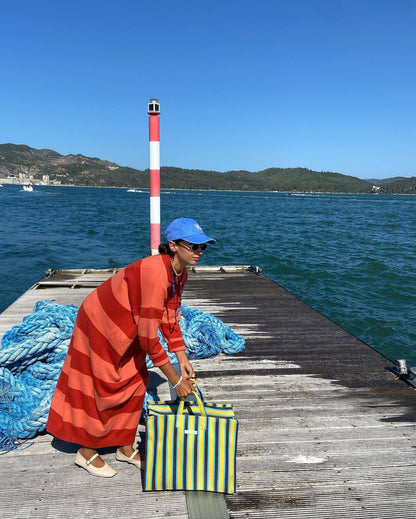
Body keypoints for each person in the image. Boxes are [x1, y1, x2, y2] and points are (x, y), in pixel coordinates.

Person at [46, 218, 216, 477]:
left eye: (203, 247)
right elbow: (149, 339)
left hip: (132, 321)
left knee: (137, 378)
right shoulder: (155, 274)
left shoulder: (179, 273)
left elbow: (170, 316)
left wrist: (181, 357)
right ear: (173, 245)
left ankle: (124, 448)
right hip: (101, 321)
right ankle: (86, 452)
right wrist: (176, 380)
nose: (199, 252)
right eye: (193, 246)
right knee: (104, 383)